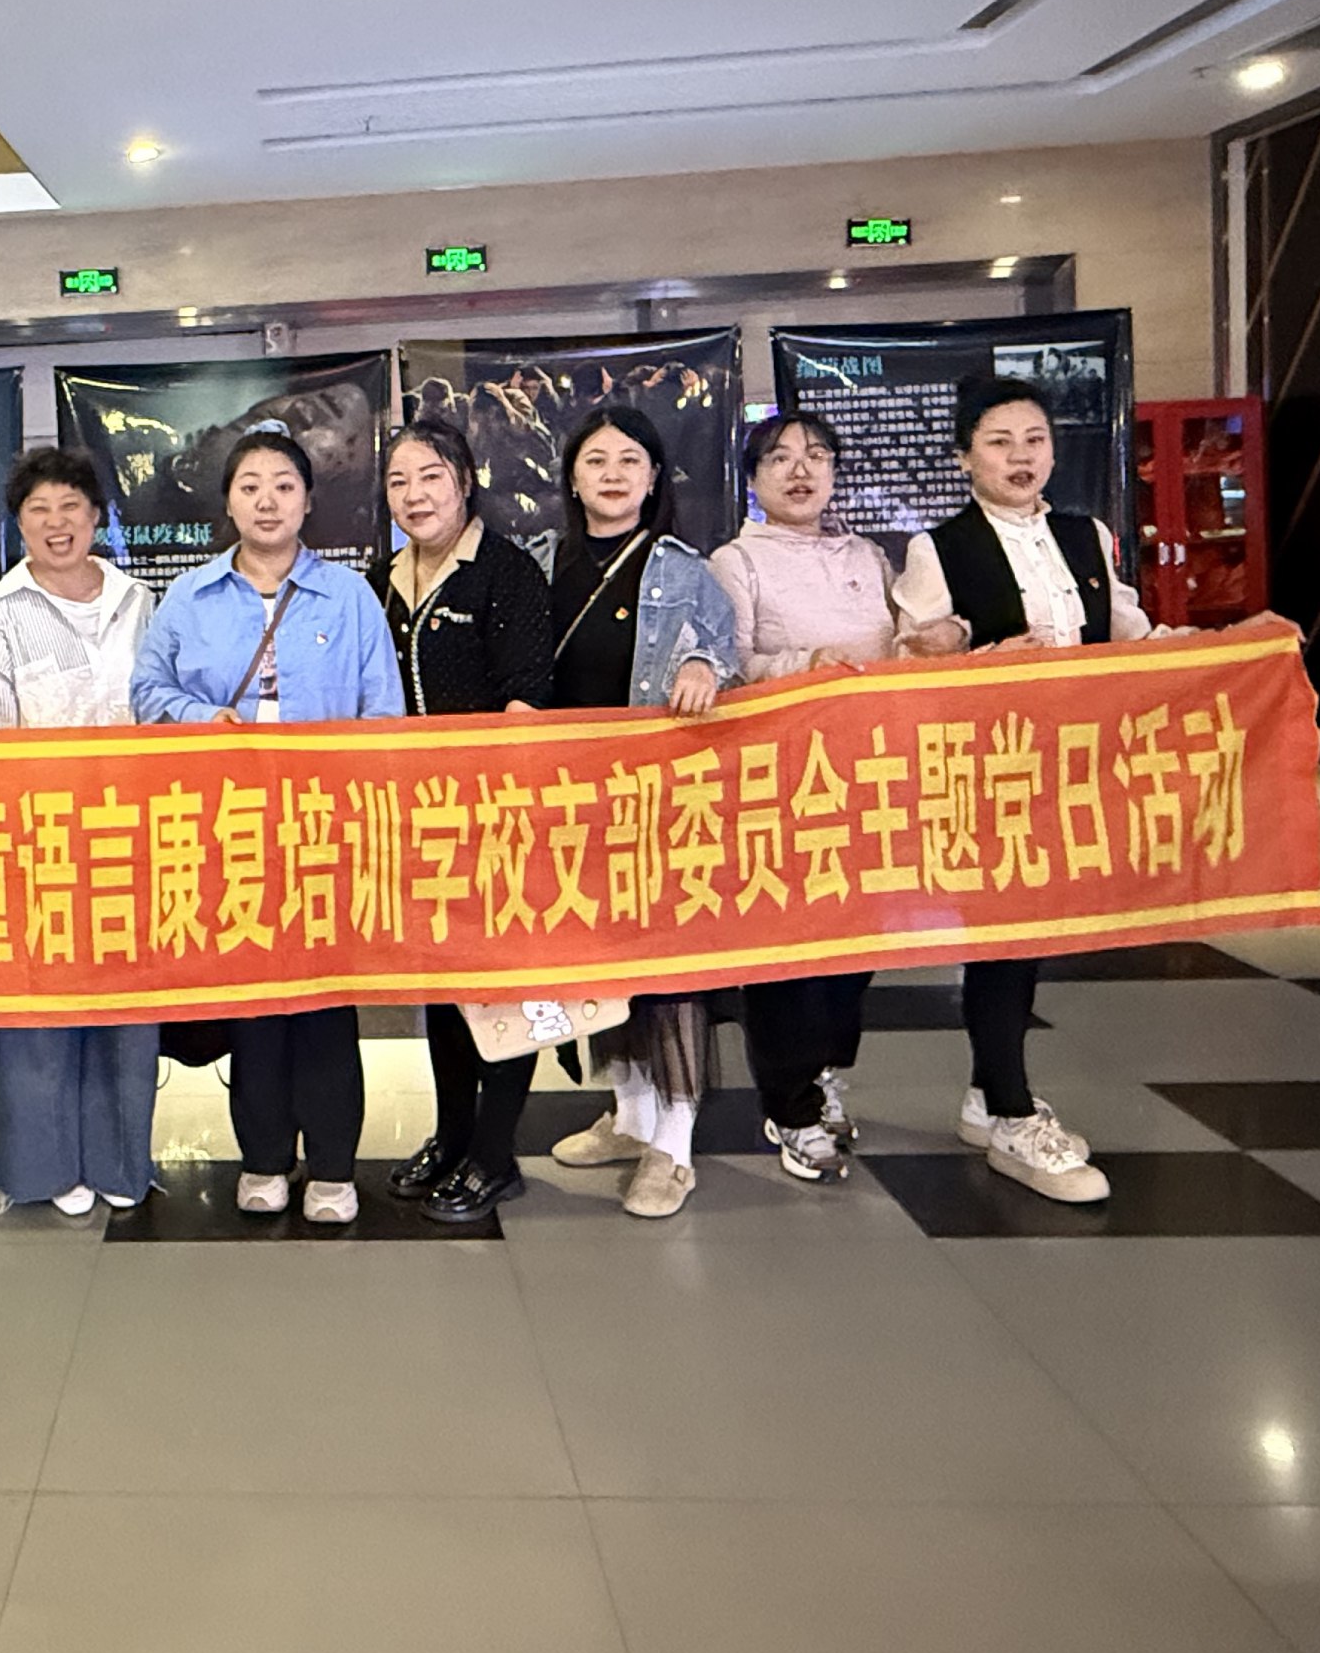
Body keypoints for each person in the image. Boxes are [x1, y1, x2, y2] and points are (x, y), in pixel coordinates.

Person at [889, 372, 1165, 1206]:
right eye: (999, 442)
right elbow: (906, 667)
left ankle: (986, 1092)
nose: (1021, 457)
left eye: (1035, 440)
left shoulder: (1087, 536)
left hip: (1074, 766)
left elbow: (1130, 635)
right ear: (963, 458)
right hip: (988, 768)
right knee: (1002, 933)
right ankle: (1012, 1111)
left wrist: (1228, 651)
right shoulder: (939, 548)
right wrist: (977, 659)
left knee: (1030, 931)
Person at [132, 424, 404, 1223]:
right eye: (250, 486)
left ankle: (333, 1168)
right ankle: (262, 1158)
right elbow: (146, 692)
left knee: (325, 1003)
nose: (267, 501)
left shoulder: (350, 596)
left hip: (324, 829)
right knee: (253, 999)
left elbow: (383, 712)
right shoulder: (189, 596)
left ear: (308, 501)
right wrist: (201, 717)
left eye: (284, 486)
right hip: (229, 829)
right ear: (228, 501)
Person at [707, 411, 966, 1183]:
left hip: (868, 778)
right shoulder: (734, 561)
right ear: (753, 480)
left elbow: (899, 648)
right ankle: (787, 1104)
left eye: (816, 456)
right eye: (780, 459)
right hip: (784, 781)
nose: (801, 471)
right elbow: (730, 663)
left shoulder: (869, 557)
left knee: (856, 939)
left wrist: (935, 642)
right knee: (789, 946)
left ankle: (824, 1072)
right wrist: (803, 664)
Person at [537, 405, 737, 1219]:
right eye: (596, 460)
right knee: (597, 959)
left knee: (667, 968)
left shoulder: (684, 570)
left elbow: (725, 649)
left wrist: (703, 663)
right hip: (568, 801)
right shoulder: (539, 562)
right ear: (572, 477)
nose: (612, 474)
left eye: (629, 460)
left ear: (654, 478)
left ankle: (673, 1145)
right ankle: (628, 1113)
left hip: (659, 804)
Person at [0, 446, 160, 1218]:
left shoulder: (141, 603)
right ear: (19, 524)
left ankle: (120, 1159)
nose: (56, 522)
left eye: (71, 505)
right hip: (37, 841)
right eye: (38, 510)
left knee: (125, 1012)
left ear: (97, 515)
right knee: (40, 1010)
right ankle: (42, 1168)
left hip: (132, 839)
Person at [373, 415, 556, 1225]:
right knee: (444, 990)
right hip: (419, 821)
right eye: (398, 481)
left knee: (501, 990)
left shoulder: (506, 573)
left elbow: (526, 697)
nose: (415, 495)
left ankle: (494, 1154)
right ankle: (451, 1136)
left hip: (496, 816)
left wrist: (487, 798)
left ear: (466, 481)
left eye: (431, 477)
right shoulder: (384, 578)